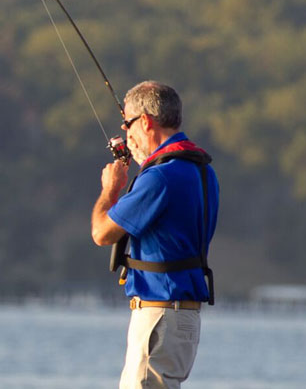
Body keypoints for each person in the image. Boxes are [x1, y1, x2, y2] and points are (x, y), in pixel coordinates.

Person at [91, 81, 219, 389]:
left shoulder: (160, 177)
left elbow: (102, 232)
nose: (127, 135)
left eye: (128, 125)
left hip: (159, 315)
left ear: (146, 121)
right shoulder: (201, 170)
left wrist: (112, 189)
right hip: (182, 318)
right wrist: (145, 164)